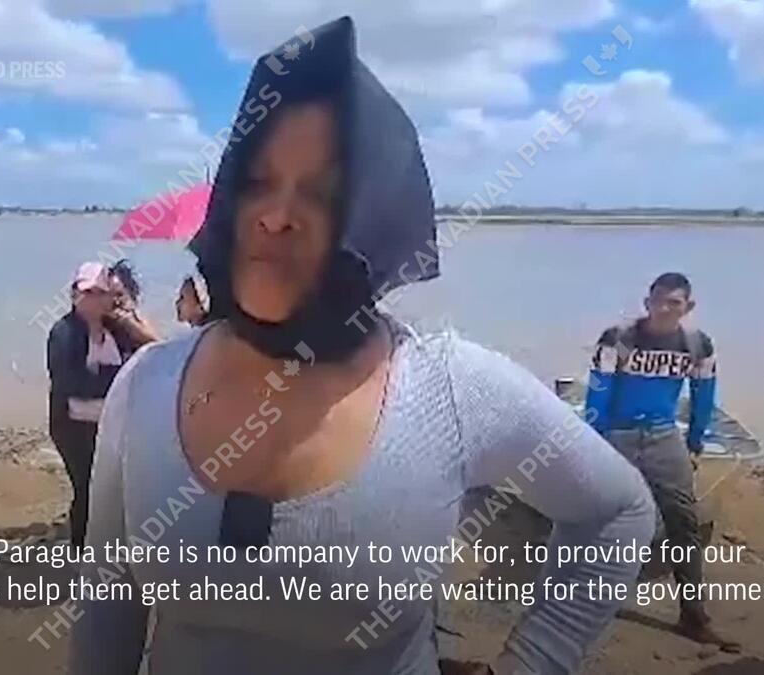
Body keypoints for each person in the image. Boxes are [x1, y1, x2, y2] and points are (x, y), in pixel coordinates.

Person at [70, 16, 655, 675]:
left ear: (372, 217)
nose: (276, 216)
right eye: (257, 183)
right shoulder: (147, 384)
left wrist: (533, 660)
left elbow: (617, 511)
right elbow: (107, 608)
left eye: (320, 194)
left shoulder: (449, 391)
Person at [585, 272, 741, 651]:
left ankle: (694, 616)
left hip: (663, 436)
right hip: (618, 434)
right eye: (658, 300)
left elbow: (704, 394)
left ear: (688, 306)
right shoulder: (619, 339)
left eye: (674, 302)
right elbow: (599, 390)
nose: (665, 308)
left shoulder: (696, 344)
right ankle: (587, 602)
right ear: (647, 302)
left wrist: (695, 441)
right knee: (602, 518)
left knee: (684, 523)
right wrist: (594, 438)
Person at [47, 262, 153, 548]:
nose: (90, 299)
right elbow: (70, 383)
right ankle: (81, 551)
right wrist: (118, 378)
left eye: (98, 293)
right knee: (86, 488)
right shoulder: (63, 332)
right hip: (74, 427)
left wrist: (130, 319)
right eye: (85, 292)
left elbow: (152, 352)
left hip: (113, 424)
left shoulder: (117, 329)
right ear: (74, 295)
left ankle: (113, 547)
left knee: (115, 490)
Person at [109, 258, 163, 344]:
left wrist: (129, 324)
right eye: (109, 295)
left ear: (132, 294)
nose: (116, 301)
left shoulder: (144, 322)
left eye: (119, 295)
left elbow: (160, 345)